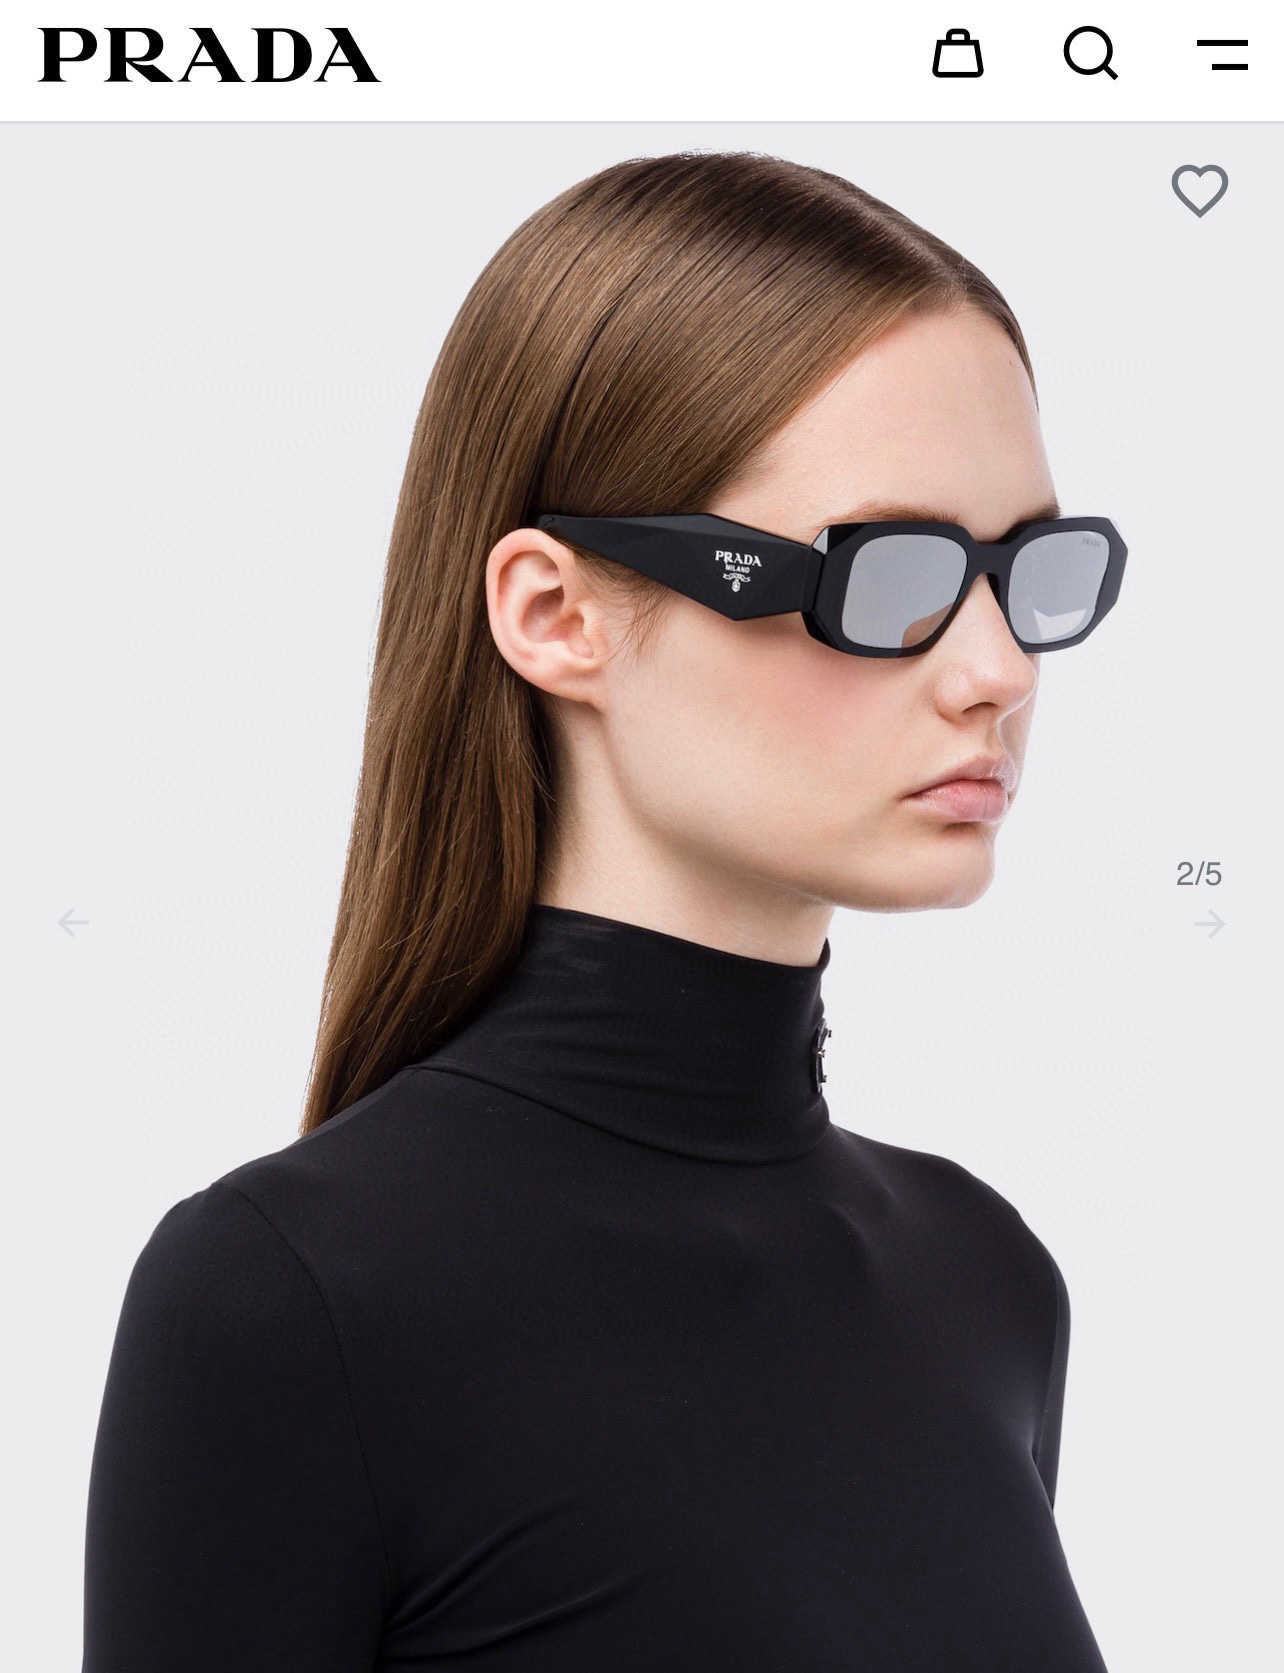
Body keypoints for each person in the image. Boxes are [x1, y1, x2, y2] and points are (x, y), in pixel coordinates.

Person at [82, 150, 1124, 1670]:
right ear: (556, 613)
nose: (1000, 671)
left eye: (1027, 570)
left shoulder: (987, 1280)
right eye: (887, 572)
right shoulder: (290, 1300)